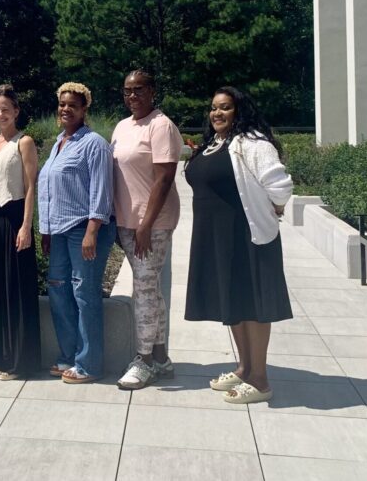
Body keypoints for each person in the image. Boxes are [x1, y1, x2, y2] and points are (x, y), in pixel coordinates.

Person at [184, 86, 293, 404]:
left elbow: (280, 186)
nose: (217, 113)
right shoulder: (213, 144)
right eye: (214, 108)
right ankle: (245, 368)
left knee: (254, 305)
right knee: (233, 301)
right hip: (216, 238)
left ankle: (260, 380)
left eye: (225, 108)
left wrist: (274, 208)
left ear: (239, 111)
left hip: (248, 236)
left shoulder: (253, 143)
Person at [38, 82, 115, 384]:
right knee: (59, 291)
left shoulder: (93, 143)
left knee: (84, 293)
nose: (66, 109)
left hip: (83, 228)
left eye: (73, 105)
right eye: (62, 104)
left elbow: (101, 190)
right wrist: (45, 231)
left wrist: (92, 231)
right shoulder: (59, 142)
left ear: (84, 109)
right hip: (58, 231)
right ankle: (69, 355)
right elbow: (49, 190)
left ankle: (90, 364)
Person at [112, 69, 183, 390]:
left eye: (139, 90)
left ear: (152, 91)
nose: (132, 96)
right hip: (127, 222)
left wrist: (145, 224)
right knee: (150, 289)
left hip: (151, 224)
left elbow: (165, 178)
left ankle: (142, 360)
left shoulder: (161, 125)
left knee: (143, 291)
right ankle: (161, 357)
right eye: (127, 91)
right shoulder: (123, 126)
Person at [0, 84, 41, 381]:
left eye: (6, 109)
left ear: (16, 111)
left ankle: (22, 361)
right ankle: (1, 357)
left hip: (17, 217)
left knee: (17, 289)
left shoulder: (24, 142)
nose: (1, 114)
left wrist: (27, 226)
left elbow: (31, 186)